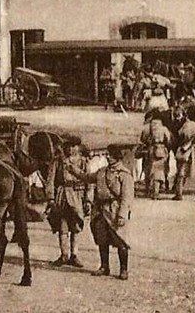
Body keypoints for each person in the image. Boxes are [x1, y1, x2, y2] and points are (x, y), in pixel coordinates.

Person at [84, 143, 134, 280]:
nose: (108, 157)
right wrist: (72, 170)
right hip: (100, 210)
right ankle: (104, 266)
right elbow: (87, 178)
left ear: (117, 157)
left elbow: (126, 197)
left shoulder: (124, 175)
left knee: (120, 240)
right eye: (107, 155)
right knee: (102, 239)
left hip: (115, 210)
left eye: (110, 155)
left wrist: (122, 215)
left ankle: (124, 270)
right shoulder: (101, 172)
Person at [46, 142, 87, 268]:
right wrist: (51, 198)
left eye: (73, 146)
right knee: (62, 226)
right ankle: (64, 255)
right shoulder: (57, 162)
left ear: (77, 147)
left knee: (76, 226)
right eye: (68, 147)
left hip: (77, 196)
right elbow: (50, 181)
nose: (70, 149)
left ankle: (74, 255)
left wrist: (88, 200)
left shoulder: (82, 162)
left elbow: (89, 182)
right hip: (62, 197)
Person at [173, 106, 195, 201]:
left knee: (182, 172)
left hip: (188, 149)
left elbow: (182, 135)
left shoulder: (188, 125)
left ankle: (179, 193)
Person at [140, 115, 173, 198]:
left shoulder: (146, 128)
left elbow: (142, 139)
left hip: (150, 150)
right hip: (161, 149)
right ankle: (156, 191)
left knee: (148, 169)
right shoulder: (164, 128)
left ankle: (147, 189)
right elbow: (168, 140)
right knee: (159, 170)